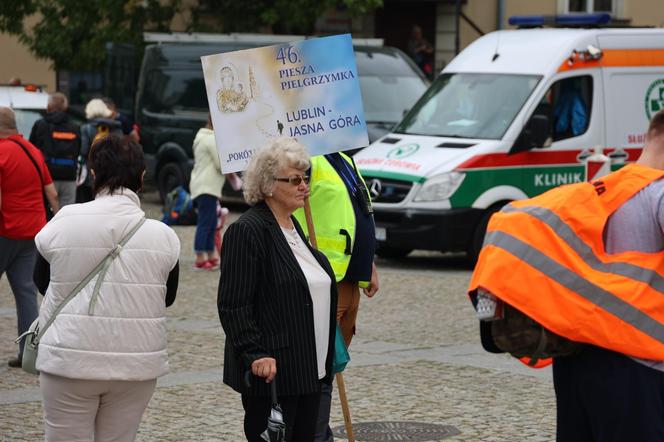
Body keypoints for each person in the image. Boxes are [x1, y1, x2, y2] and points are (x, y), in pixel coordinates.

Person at [33, 134, 180, 441]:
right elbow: (167, 297)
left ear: (94, 174)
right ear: (141, 177)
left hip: (69, 360)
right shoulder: (164, 236)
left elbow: (41, 281)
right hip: (136, 364)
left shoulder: (63, 221)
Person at [218, 138, 338, 442]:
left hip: (311, 370)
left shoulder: (293, 227)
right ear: (269, 185)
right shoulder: (248, 231)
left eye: (306, 178)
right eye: (295, 180)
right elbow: (234, 303)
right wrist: (254, 353)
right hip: (274, 372)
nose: (304, 186)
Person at [292, 151, 379, 442]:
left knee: (332, 365)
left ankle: (318, 429)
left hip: (350, 277)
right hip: (324, 278)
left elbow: (358, 211)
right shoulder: (309, 159)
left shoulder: (344, 158)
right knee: (321, 366)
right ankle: (315, 434)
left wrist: (369, 264)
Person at [0, 107, 58, 368]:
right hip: (33, 231)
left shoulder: (1, 152)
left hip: (6, 230)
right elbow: (52, 193)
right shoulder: (33, 151)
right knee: (26, 293)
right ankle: (28, 354)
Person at [29, 92, 81, 208]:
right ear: (66, 107)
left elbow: (31, 151)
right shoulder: (75, 126)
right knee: (67, 214)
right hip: (69, 176)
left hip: (46, 177)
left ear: (49, 107)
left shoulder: (40, 124)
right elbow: (78, 150)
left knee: (46, 212)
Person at [189, 114, 224, 271]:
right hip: (207, 187)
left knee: (210, 222)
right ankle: (200, 257)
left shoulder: (201, 137)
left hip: (203, 186)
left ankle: (210, 255)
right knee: (206, 223)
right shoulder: (211, 139)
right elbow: (220, 163)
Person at [77, 98, 123, 203]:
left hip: (92, 175)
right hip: (114, 174)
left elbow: (83, 151)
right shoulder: (116, 127)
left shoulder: (86, 128)